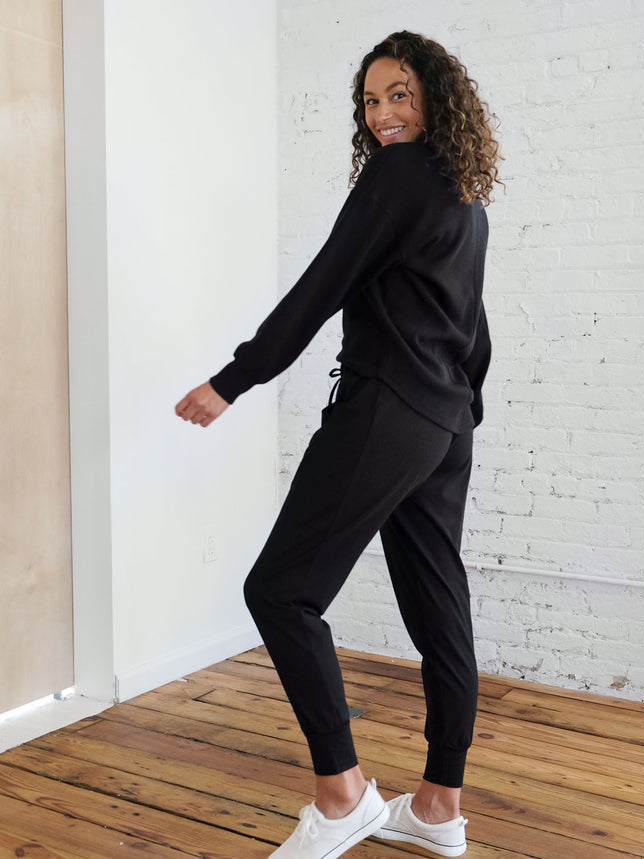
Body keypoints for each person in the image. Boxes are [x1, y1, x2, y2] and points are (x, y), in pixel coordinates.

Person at [176, 30, 501, 859]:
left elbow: (322, 285)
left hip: (387, 409)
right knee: (440, 612)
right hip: (444, 422)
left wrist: (234, 379)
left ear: (435, 99)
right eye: (370, 100)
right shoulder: (465, 195)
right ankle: (439, 806)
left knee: (281, 592)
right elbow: (474, 328)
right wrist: (458, 411)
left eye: (400, 95)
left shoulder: (398, 175)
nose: (383, 113)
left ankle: (344, 793)